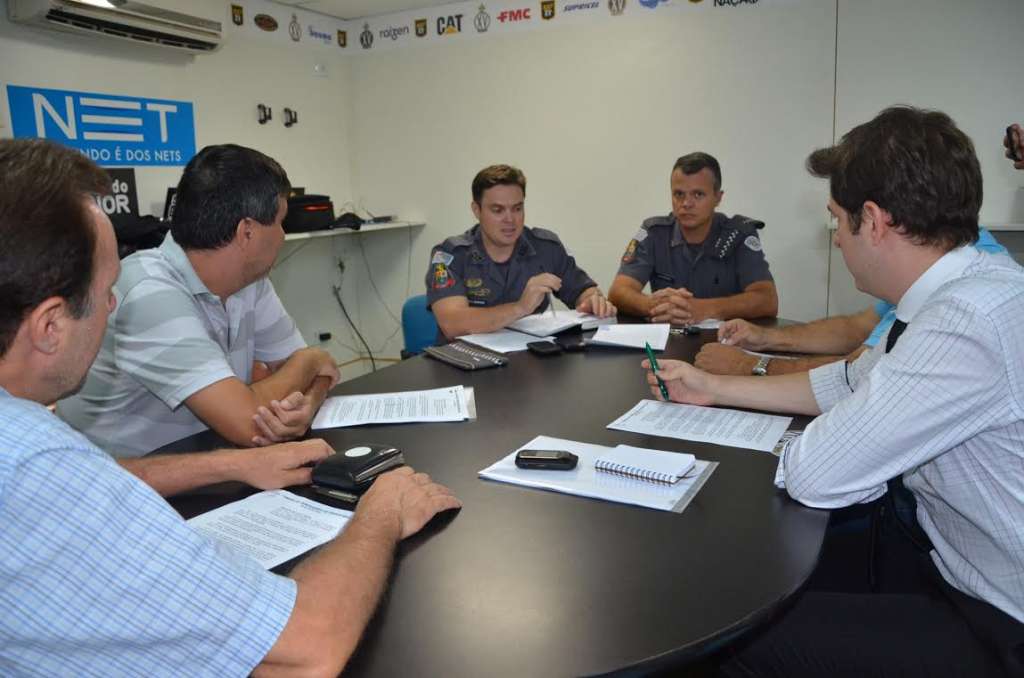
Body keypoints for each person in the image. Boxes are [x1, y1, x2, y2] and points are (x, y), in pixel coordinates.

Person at [0, 138, 461, 675]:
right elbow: (308, 646)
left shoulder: (37, 452)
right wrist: (381, 511)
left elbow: (97, 474)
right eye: (106, 290)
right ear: (49, 325)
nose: (114, 305)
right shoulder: (37, 464)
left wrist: (233, 464)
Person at [642, 108, 1024, 676]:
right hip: (946, 557)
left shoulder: (964, 322)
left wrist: (799, 433)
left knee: (726, 641)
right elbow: (848, 381)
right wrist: (714, 387)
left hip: (996, 621)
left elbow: (816, 474)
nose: (838, 240)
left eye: (838, 222)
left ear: (874, 221)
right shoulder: (968, 291)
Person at [58, 144, 338, 457]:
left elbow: (313, 376)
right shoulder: (148, 292)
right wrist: (311, 358)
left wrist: (308, 406)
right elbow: (249, 423)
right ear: (246, 232)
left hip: (213, 462)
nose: (283, 236)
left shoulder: (250, 282)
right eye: (280, 222)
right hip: (127, 479)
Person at [694, 228, 1008, 376]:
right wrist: (766, 338)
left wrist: (749, 366)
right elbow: (860, 327)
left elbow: (860, 374)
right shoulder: (957, 250)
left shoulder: (958, 284)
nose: (837, 238)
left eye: (842, 219)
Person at [426, 164, 616, 341]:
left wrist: (593, 301)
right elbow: (452, 323)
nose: (510, 219)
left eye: (517, 208)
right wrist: (520, 307)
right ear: (477, 210)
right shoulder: (451, 254)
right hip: (466, 361)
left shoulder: (545, 247)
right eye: (498, 210)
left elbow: (582, 290)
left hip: (530, 358)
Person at [607, 152, 778, 325]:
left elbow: (767, 300)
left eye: (698, 194)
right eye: (679, 194)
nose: (686, 203)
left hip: (724, 339)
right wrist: (654, 305)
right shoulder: (654, 233)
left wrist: (704, 309)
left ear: (718, 198)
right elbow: (618, 292)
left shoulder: (738, 235)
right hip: (669, 339)